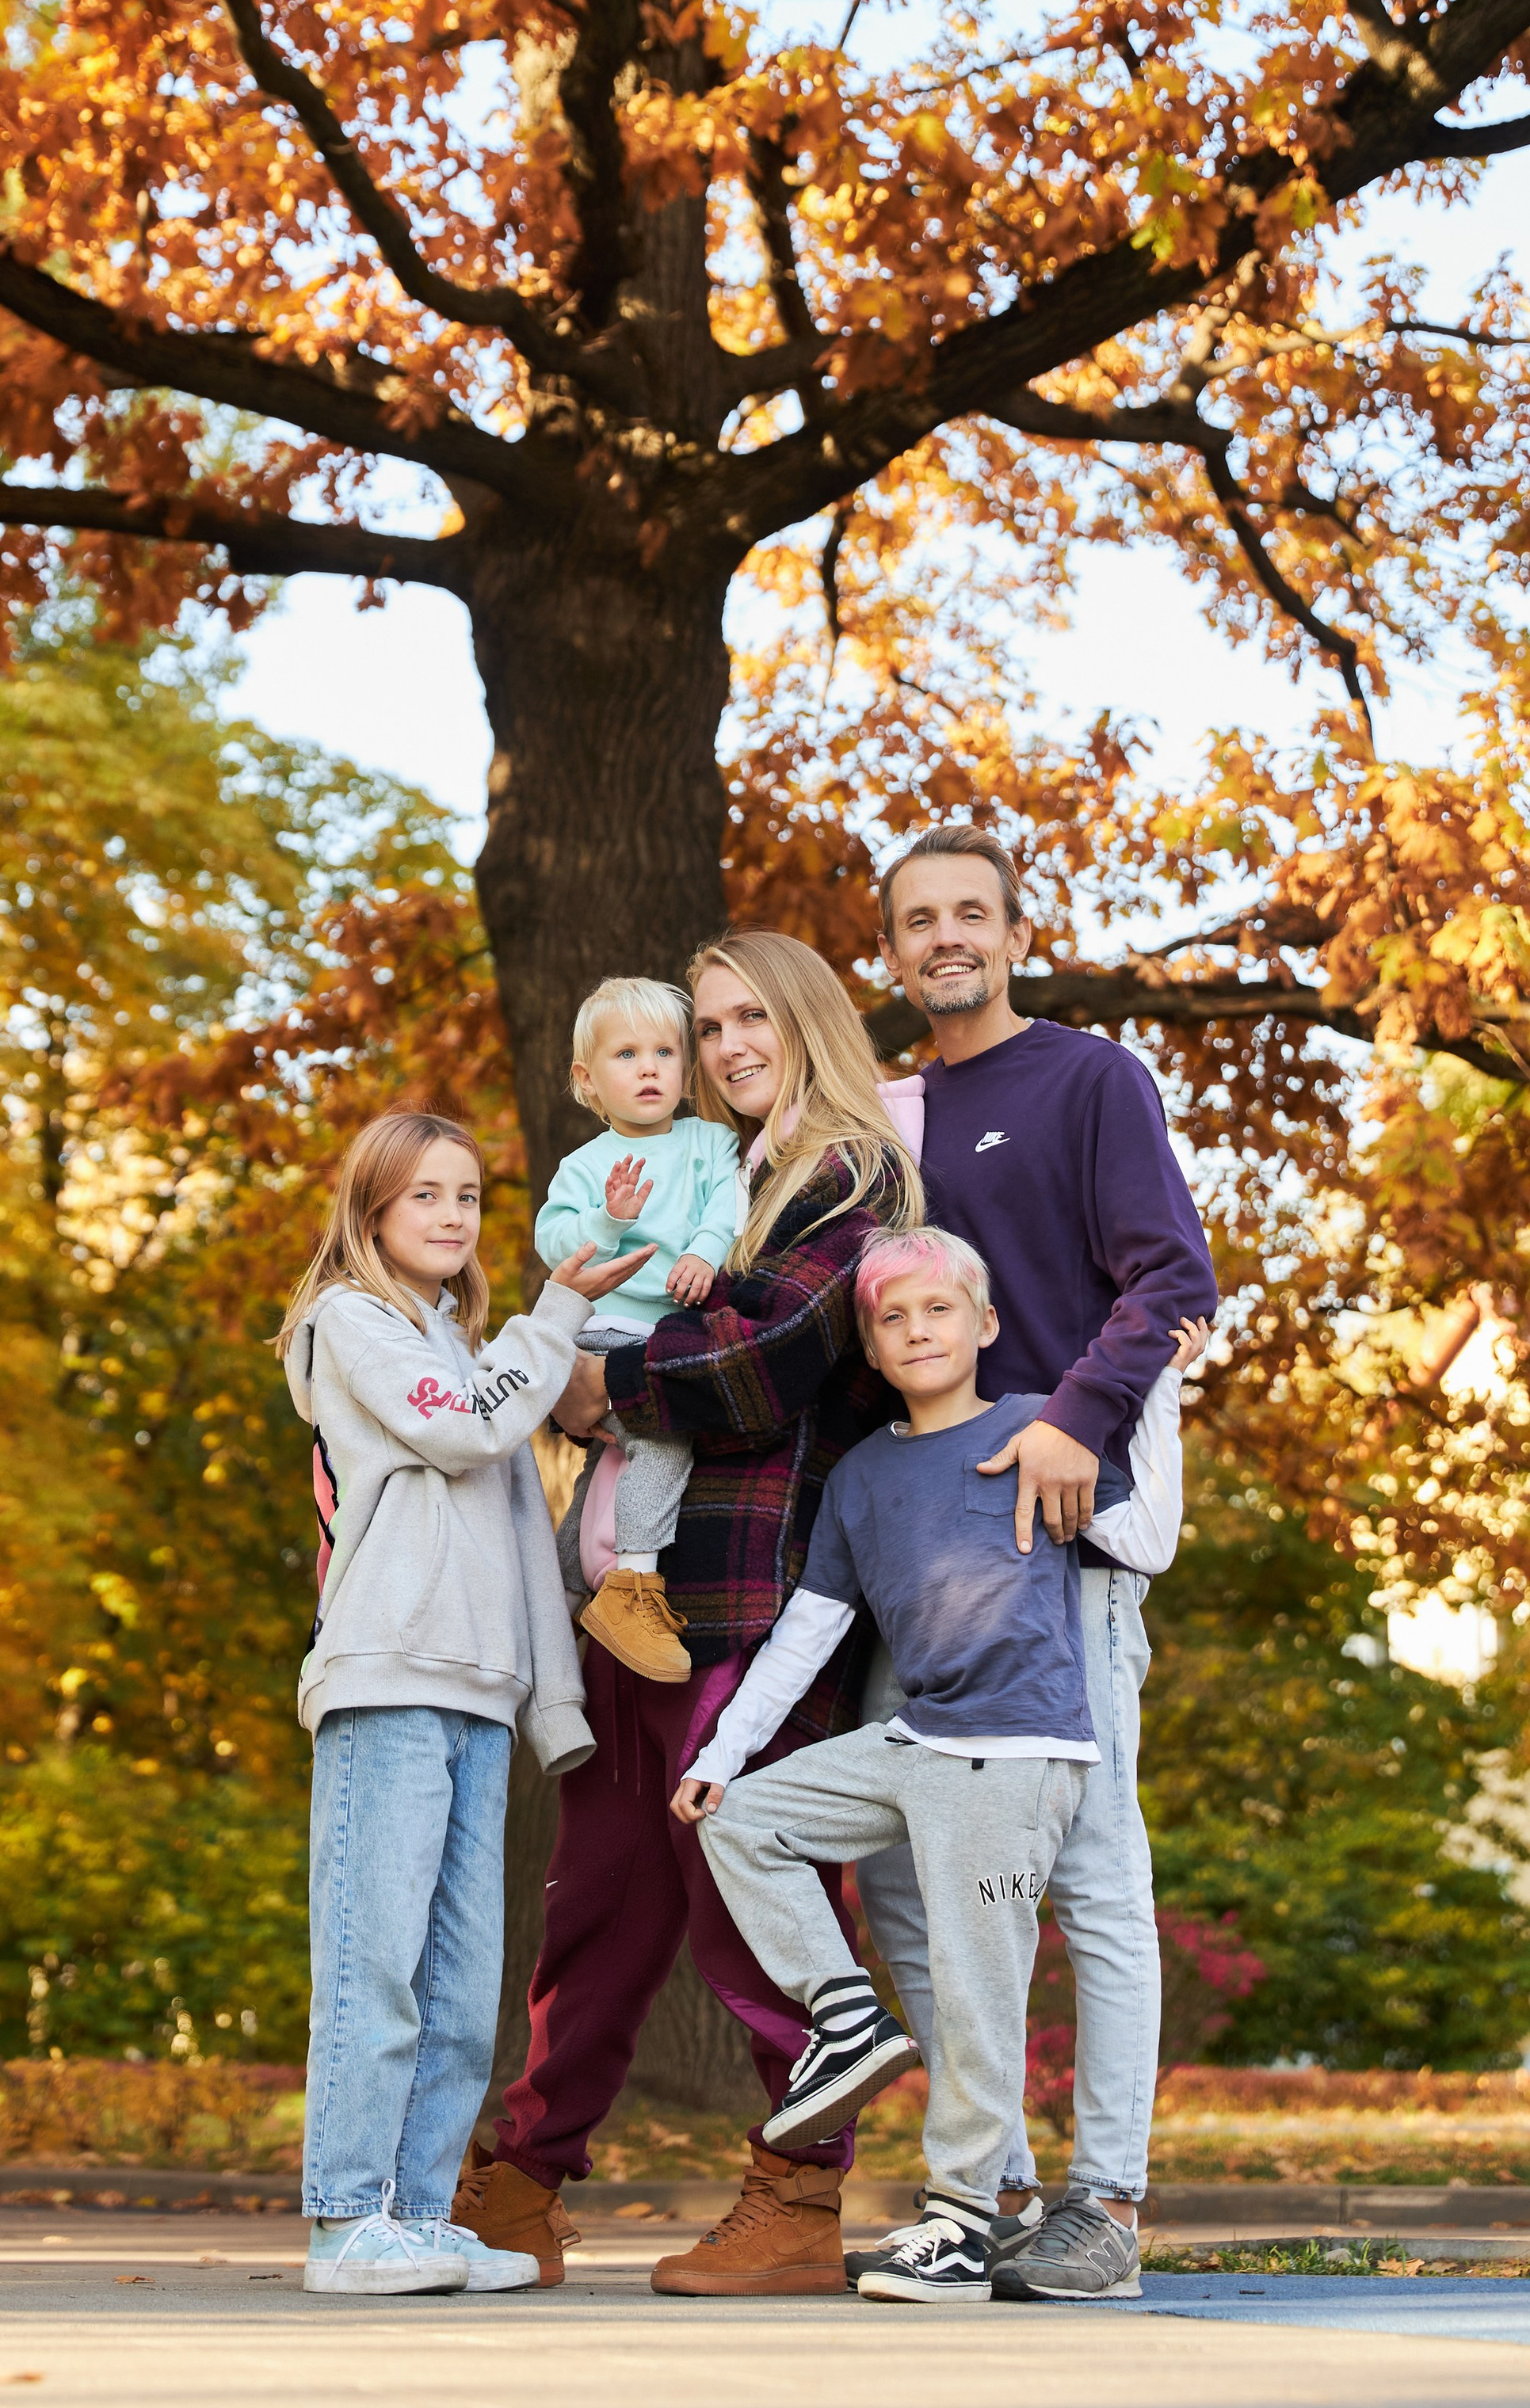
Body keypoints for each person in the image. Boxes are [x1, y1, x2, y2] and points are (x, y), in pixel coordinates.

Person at [455, 930, 925, 2298]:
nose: (723, 1050)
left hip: (758, 1591)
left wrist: (591, 1384)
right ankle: (523, 2183)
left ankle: (800, 2196)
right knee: (597, 1887)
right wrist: (572, 1366)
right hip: (639, 1591)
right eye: (707, 1027)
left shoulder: (850, 1172)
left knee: (742, 1885)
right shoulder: (712, 1171)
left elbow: (758, 1360)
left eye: (747, 1022)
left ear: (806, 1022)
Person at [674, 1229, 1199, 2305]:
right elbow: (809, 1630)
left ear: (984, 1326)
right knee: (741, 1821)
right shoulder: (863, 1478)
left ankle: (963, 2224)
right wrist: (721, 1754)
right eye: (893, 1319)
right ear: (870, 1347)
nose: (918, 1331)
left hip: (1014, 1756)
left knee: (974, 1990)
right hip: (922, 1740)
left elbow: (1144, 1542)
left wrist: (1165, 1399)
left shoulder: (1038, 1431)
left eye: (938, 1312)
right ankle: (847, 2016)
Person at [858, 824, 1219, 2303]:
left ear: (1012, 932)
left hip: (1060, 1534)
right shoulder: (881, 1118)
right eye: (918, 920)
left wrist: (1077, 1421)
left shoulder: (1087, 1079)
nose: (946, 936)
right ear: (890, 953)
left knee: (1093, 1872)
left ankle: (1109, 2205)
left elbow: (1174, 1280)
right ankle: (991, 2184)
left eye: (970, 914)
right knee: (898, 1872)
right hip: (920, 1554)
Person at [278, 1108, 652, 2296]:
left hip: (479, 1692)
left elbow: (517, 1533)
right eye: (425, 1195)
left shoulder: (456, 1335)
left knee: (458, 1973)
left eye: (469, 1196)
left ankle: (415, 2212)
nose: (451, 1216)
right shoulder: (353, 1326)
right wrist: (554, 1313)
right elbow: (472, 1433)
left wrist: (554, 1702)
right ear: (374, 1209)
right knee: (374, 1957)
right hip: (390, 1674)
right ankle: (346, 2220)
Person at [536, 975, 742, 1683]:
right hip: (608, 1332)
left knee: (606, 1468)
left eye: (664, 1051)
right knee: (663, 1431)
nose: (649, 1067)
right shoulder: (586, 1166)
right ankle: (632, 1585)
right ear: (587, 1079)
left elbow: (728, 1206)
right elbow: (553, 1240)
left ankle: (558, 1596)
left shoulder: (709, 1141)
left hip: (669, 1333)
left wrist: (701, 1254)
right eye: (627, 1055)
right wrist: (609, 1221)